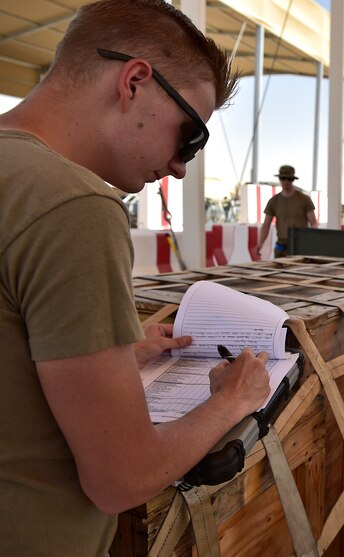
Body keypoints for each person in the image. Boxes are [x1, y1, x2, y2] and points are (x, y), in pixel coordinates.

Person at [0, 2, 271, 555]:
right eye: (190, 134)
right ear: (134, 82)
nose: (181, 166)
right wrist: (231, 401)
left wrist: (111, 358)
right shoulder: (72, 204)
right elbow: (120, 478)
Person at [258, 164, 318, 258]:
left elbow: (313, 222)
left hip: (300, 247)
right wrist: (260, 243)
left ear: (293, 180)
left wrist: (313, 242)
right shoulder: (273, 201)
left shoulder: (304, 199)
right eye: (283, 178)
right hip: (281, 248)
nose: (286, 181)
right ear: (279, 179)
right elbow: (266, 225)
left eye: (289, 179)